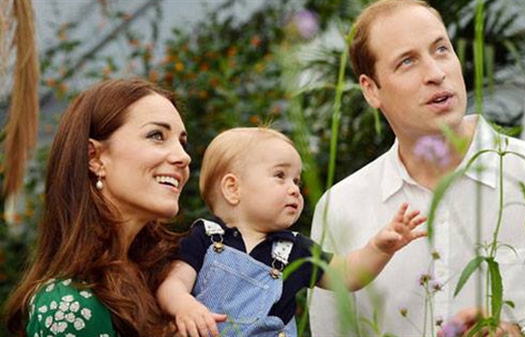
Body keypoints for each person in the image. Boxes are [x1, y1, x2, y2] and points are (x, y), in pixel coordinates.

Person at [309, 0, 525, 336]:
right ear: (371, 89)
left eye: (442, 49)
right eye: (407, 61)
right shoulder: (340, 208)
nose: (435, 73)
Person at [156, 127, 428, 337]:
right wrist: (184, 306)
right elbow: (172, 284)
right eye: (280, 176)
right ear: (233, 189)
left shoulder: (295, 249)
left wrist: (379, 248)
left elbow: (347, 275)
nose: (294, 188)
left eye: (296, 180)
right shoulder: (205, 237)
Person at [3, 78, 192, 336]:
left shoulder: (171, 281)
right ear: (95, 157)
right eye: (156, 135)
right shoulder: (69, 305)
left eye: (183, 142)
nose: (183, 156)